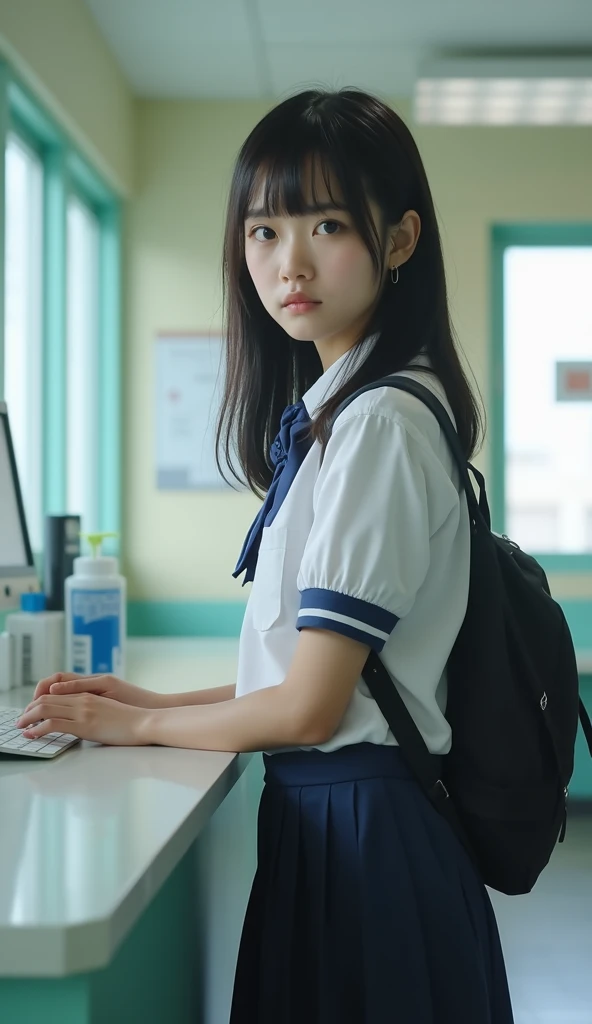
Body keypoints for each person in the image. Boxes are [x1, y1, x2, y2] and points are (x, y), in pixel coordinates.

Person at [20, 88, 514, 1023]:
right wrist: (158, 702)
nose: (289, 263)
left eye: (326, 223)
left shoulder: (379, 425)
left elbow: (312, 704)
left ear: (400, 240)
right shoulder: (350, 412)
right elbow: (309, 673)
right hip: (344, 826)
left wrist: (137, 730)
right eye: (263, 230)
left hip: (367, 837)